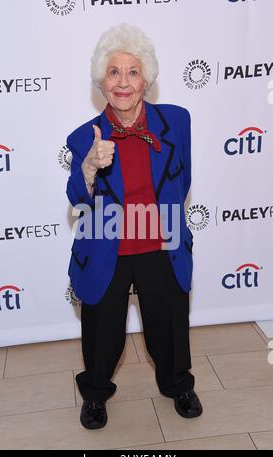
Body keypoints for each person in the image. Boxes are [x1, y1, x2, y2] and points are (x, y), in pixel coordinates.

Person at [66, 23, 202, 430]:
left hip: (162, 243)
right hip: (108, 246)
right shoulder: (83, 137)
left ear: (147, 79)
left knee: (169, 326)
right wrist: (89, 166)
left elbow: (183, 180)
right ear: (101, 82)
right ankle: (94, 394)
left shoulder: (177, 121)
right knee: (102, 331)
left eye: (132, 72)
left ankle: (179, 384)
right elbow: (77, 197)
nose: (123, 82)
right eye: (113, 72)